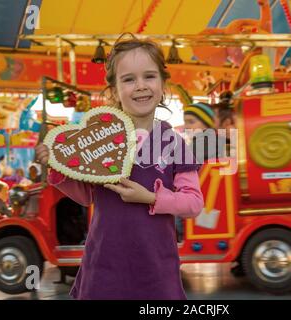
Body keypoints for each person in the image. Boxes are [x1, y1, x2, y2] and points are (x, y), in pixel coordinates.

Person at [35, 35, 204, 300]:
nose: (140, 86)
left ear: (162, 83)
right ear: (114, 90)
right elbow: (87, 195)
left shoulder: (174, 143)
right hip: (104, 264)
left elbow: (193, 203)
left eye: (149, 76)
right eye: (128, 79)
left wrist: (148, 197)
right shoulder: (101, 139)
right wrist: (57, 167)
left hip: (155, 269)